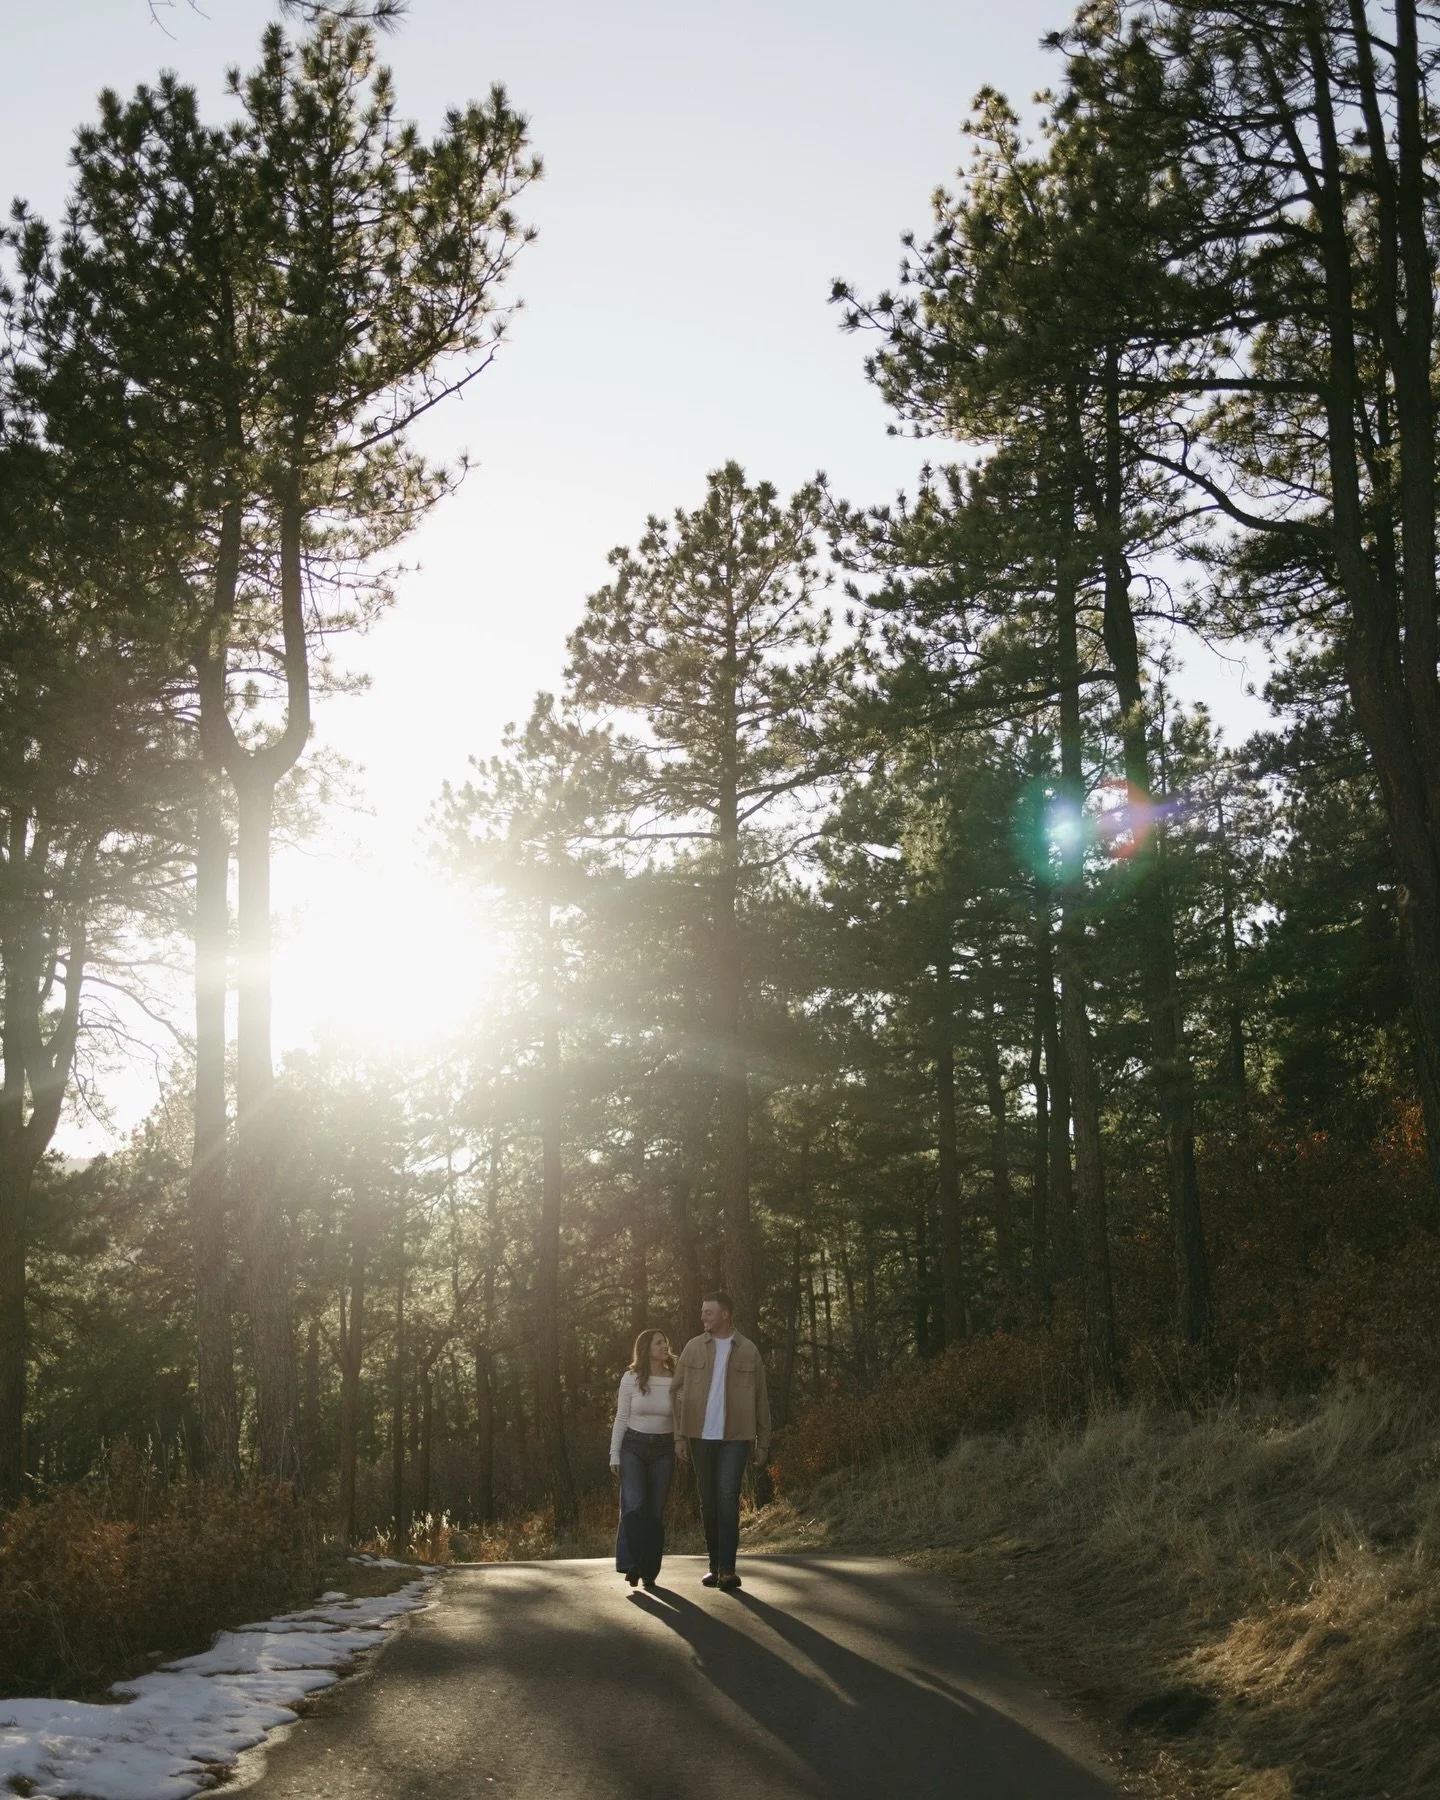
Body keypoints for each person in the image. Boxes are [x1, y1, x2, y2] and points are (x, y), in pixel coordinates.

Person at [670, 1290, 770, 1593]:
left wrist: (763, 1442)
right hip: (700, 1437)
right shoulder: (692, 1348)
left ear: (725, 1314)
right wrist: (679, 1436)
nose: (703, 1317)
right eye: (702, 1313)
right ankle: (713, 1566)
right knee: (709, 1502)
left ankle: (728, 1569)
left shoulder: (749, 1350)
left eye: (708, 1313)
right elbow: (674, 1391)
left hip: (735, 1438)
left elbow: (761, 1399)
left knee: (727, 1499)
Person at [609, 1327, 676, 1591]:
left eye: (666, 1342)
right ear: (647, 1348)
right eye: (659, 1342)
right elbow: (621, 1418)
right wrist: (614, 1453)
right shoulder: (631, 1378)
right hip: (633, 1446)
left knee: (655, 1513)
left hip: (663, 1449)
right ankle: (632, 1561)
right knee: (634, 1504)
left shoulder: (674, 1379)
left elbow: (681, 1415)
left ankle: (648, 1570)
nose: (664, 1346)